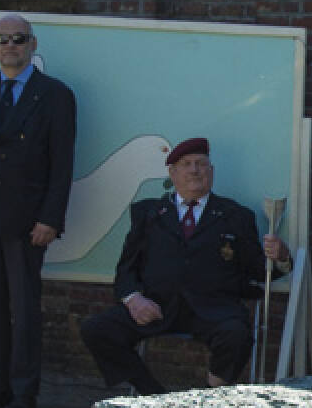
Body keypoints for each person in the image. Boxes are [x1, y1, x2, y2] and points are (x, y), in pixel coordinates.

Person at [79, 138, 288, 394]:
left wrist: (281, 257)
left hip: (213, 310)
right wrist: (134, 299)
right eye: (186, 164)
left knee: (237, 335)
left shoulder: (236, 215)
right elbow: (126, 269)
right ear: (172, 173)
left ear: (211, 171)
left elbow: (258, 270)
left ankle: (208, 398)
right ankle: (152, 396)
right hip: (159, 307)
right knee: (97, 329)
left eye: (201, 164)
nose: (194, 170)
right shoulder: (149, 214)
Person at [0, 12, 77, 408]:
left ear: (33, 44)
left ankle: (23, 391)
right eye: (3, 39)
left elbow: (62, 163)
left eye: (19, 39)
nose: (11, 46)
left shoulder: (55, 95)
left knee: (24, 309)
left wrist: (51, 218)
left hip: (27, 220)